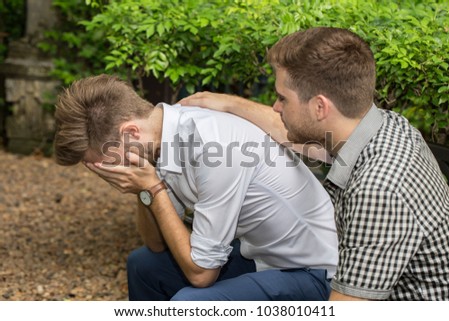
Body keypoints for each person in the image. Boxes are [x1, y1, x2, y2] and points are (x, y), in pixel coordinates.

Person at [179, 27, 449, 301]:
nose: (275, 107)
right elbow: (292, 129)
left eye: (282, 98)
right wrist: (226, 104)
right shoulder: (385, 126)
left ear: (320, 107)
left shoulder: (379, 190)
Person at [53, 74, 339, 301]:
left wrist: (153, 188)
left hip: (314, 272)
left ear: (130, 133)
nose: (108, 171)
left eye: (105, 162)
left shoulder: (210, 145)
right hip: (262, 256)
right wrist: (141, 188)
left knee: (190, 305)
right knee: (143, 266)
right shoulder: (163, 134)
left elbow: (202, 275)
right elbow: (156, 244)